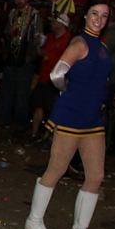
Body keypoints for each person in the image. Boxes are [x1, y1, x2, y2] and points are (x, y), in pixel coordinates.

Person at [23, 0, 113, 229]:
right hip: (71, 115)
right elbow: (56, 74)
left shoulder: (102, 46)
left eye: (104, 16)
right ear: (85, 15)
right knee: (56, 169)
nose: (99, 19)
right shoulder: (79, 42)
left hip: (92, 118)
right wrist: (67, 92)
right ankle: (34, 221)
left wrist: (99, 100)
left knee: (96, 176)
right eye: (95, 13)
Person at [0, 0, 41, 130]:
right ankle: (4, 119)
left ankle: (19, 123)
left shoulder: (34, 15)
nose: (19, 1)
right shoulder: (12, 13)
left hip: (25, 58)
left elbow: (37, 37)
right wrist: (10, 34)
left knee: (22, 94)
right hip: (11, 57)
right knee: (7, 91)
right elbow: (6, 33)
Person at [27, 11, 72, 144]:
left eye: (53, 22)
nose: (50, 24)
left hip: (57, 81)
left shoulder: (69, 40)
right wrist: (38, 45)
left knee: (54, 111)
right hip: (43, 77)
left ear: (61, 24)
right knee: (38, 107)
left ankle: (51, 139)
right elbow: (43, 54)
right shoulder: (50, 37)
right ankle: (35, 133)